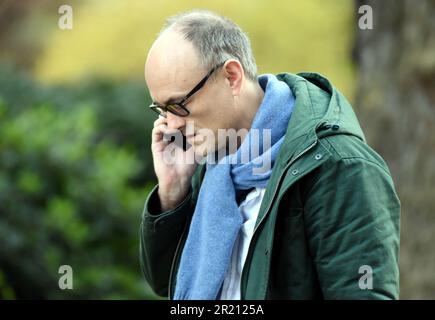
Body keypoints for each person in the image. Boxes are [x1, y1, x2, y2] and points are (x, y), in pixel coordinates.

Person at [139, 10, 400, 300]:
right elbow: (167, 282)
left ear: (232, 77)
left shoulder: (337, 166)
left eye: (179, 104)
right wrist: (173, 192)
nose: (172, 124)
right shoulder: (210, 164)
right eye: (162, 109)